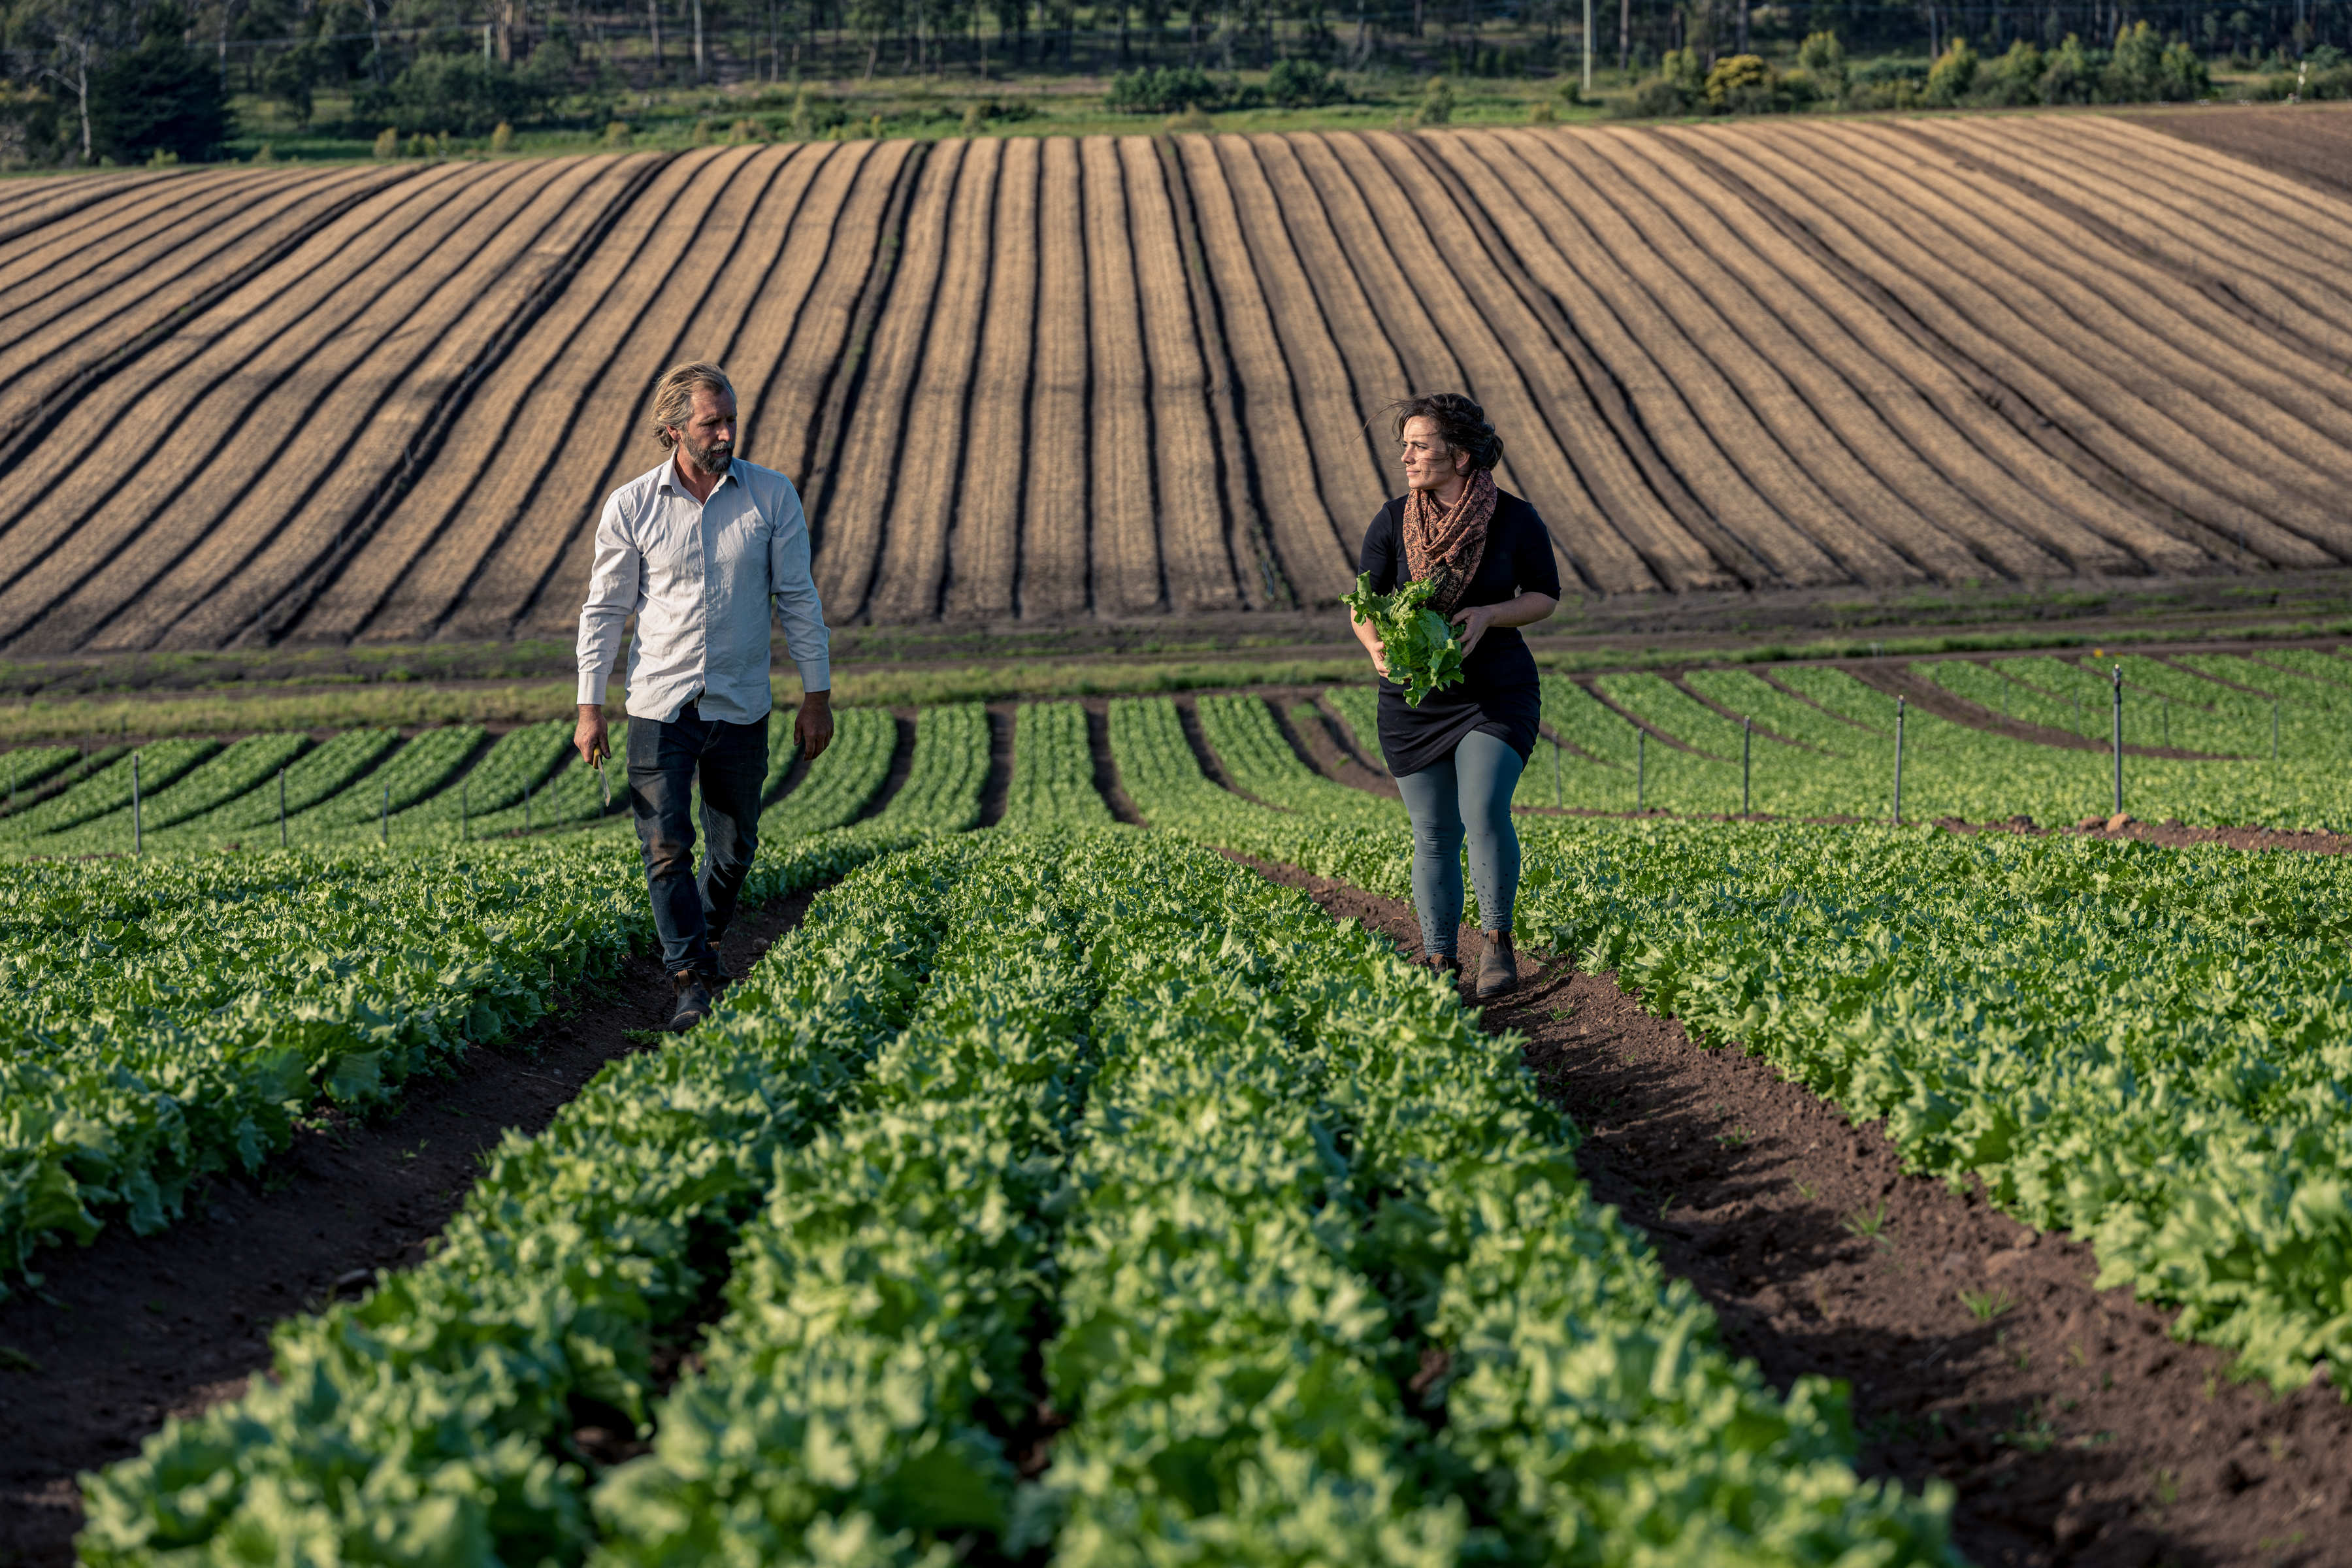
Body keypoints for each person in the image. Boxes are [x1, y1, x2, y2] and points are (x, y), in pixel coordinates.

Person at [576, 361, 834, 1033]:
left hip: (741, 704)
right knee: (665, 847)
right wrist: (589, 705)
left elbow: (799, 600)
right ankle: (689, 977)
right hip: (660, 705)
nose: (725, 434)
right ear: (672, 431)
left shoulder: (770, 497)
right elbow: (604, 610)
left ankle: (711, 943)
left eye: (730, 421)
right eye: (710, 423)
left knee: (736, 848)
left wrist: (817, 695)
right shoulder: (632, 506)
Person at [1349, 393, 1560, 999]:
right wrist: (1376, 648)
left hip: (1495, 691)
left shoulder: (1515, 518)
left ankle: (1497, 943)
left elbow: (1545, 596)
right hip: (1414, 700)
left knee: (1484, 807)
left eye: (1419, 445)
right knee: (1435, 832)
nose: (1406, 457)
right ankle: (1440, 960)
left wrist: (1491, 613)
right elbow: (1363, 603)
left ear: (1461, 456)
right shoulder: (1392, 520)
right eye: (1405, 445)